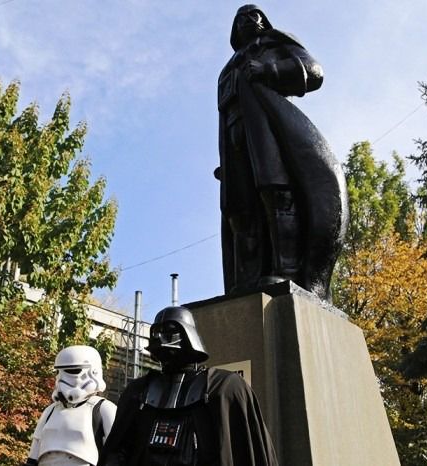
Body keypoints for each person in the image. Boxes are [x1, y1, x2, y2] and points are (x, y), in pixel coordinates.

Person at [217, 4, 347, 301]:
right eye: (241, 18)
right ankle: (246, 279)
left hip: (268, 130)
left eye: (254, 15)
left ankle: (286, 270)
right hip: (234, 141)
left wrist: (269, 70)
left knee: (276, 194)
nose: (247, 20)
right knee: (239, 209)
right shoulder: (227, 69)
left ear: (264, 21)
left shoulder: (274, 43)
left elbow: (314, 71)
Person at [98, 306, 278, 466]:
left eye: (169, 331)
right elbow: (117, 450)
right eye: (156, 332)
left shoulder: (224, 388)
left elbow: (246, 451)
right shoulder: (138, 392)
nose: (159, 338)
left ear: (188, 335)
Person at [25, 345, 117, 466]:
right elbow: (33, 454)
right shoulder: (50, 411)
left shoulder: (103, 409)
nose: (61, 378)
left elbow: (117, 451)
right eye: (58, 372)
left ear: (93, 372)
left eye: (73, 371)